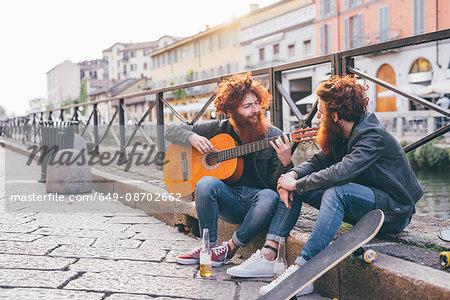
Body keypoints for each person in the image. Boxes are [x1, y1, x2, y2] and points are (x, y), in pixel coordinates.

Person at [226, 74, 423, 296]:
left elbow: (341, 172)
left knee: (335, 191)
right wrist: (290, 174)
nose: (317, 116)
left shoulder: (372, 136)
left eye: (320, 112)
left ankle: (303, 271)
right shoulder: (341, 133)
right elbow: (317, 162)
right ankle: (270, 254)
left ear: (336, 116)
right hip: (366, 205)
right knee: (299, 189)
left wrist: (297, 184)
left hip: (394, 212)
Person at [165, 72, 293, 267]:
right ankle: (207, 246)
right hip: (228, 201)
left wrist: (286, 163)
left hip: (258, 203)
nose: (255, 110)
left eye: (256, 104)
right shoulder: (218, 129)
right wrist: (191, 138)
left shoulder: (273, 136)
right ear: (232, 111)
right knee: (205, 182)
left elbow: (278, 184)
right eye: (247, 106)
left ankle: (228, 249)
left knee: (269, 196)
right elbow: (171, 131)